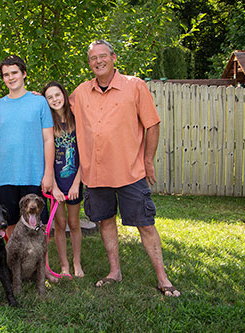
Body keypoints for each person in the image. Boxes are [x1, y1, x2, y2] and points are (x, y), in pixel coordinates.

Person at [70, 40, 180, 296]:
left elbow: (152, 124)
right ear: (89, 63)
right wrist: (37, 96)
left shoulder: (135, 86)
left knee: (146, 223)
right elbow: (59, 107)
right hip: (96, 174)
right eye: (93, 58)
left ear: (113, 57)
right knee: (106, 221)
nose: (98, 61)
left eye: (103, 56)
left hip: (130, 171)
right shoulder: (82, 92)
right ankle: (114, 272)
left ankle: (163, 278)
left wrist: (148, 160)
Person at [0, 55, 58, 282]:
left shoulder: (39, 103)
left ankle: (42, 268)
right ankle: (14, 267)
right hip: (6, 175)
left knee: (38, 226)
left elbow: (48, 139)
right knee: (8, 225)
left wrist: (48, 173)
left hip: (33, 173)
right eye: (6, 74)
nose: (10, 78)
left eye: (14, 73)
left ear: (24, 74)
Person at [42, 81, 84, 279]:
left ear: (64, 95)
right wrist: (55, 188)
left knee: (74, 223)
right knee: (59, 223)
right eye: (49, 97)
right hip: (56, 184)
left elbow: (85, 154)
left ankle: (77, 262)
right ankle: (64, 265)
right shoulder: (48, 123)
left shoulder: (77, 120)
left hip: (74, 181)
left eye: (57, 95)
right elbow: (46, 157)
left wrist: (77, 183)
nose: (54, 100)